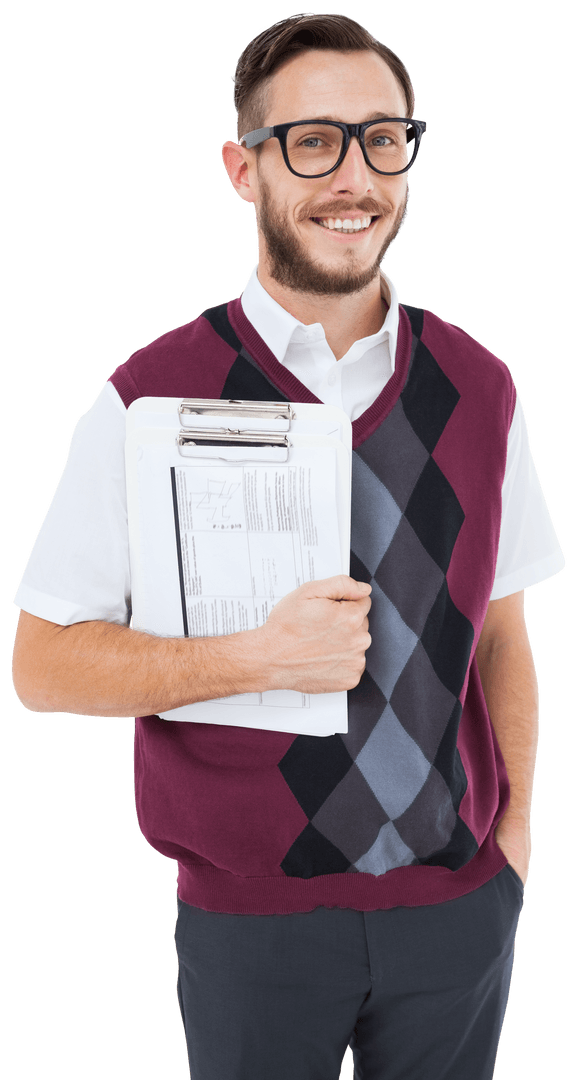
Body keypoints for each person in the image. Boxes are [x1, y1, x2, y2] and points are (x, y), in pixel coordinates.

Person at [11, 11, 565, 1080]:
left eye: (381, 139)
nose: (353, 176)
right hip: (250, 930)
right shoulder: (147, 397)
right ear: (243, 169)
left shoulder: (482, 386)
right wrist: (253, 659)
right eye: (312, 142)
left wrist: (515, 846)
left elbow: (501, 631)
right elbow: (42, 664)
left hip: (457, 913)